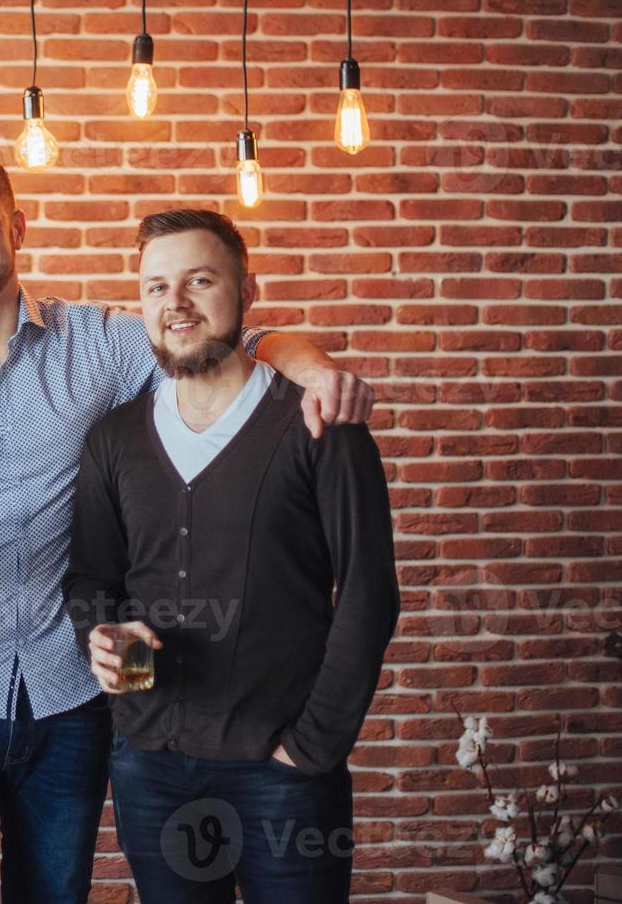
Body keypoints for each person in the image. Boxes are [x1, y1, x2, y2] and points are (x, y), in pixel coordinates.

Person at [0, 149, 376, 903]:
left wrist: (308, 367)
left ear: (15, 226)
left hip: (70, 697)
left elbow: (214, 338)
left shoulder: (102, 344)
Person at [64, 208, 401, 903]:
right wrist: (100, 636)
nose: (175, 305)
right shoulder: (114, 439)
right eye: (156, 288)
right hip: (151, 766)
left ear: (247, 294)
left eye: (198, 281)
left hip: (282, 772)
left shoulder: (319, 426)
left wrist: (310, 748)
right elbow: (93, 579)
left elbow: (368, 595)